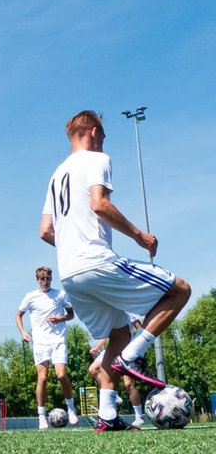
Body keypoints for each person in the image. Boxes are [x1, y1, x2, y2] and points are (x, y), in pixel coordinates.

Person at [40, 110, 191, 432]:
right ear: (94, 132)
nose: (103, 141)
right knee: (180, 290)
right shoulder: (97, 159)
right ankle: (135, 355)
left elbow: (44, 230)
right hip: (96, 262)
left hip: (70, 273)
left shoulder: (56, 175)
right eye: (103, 136)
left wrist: (71, 249)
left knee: (118, 334)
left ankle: (107, 415)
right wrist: (139, 235)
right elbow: (100, 204)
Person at [15, 266, 79, 429]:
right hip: (41, 341)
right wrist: (23, 332)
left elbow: (71, 314)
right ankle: (41, 416)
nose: (45, 281)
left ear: (51, 279)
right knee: (42, 378)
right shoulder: (31, 296)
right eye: (42, 279)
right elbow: (18, 315)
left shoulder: (60, 295)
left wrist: (61, 318)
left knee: (61, 375)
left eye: (47, 278)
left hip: (58, 340)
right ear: (37, 280)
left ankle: (71, 408)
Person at [89, 314, 144, 427]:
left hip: (127, 348)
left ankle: (139, 416)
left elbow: (140, 329)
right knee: (93, 369)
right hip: (112, 348)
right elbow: (107, 334)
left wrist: (137, 348)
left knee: (128, 383)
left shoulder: (128, 309)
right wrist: (98, 347)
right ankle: (115, 396)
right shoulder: (110, 308)